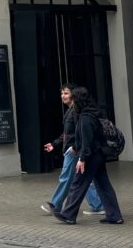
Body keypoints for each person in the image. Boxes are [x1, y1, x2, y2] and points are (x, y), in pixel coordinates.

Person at [53, 87, 124, 225]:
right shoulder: (93, 113)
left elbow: (87, 141)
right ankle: (114, 215)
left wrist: (82, 159)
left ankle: (68, 214)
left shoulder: (85, 118)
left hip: (90, 156)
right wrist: (76, 147)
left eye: (73, 97)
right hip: (98, 154)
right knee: (104, 185)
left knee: (78, 183)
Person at [41, 84, 103, 216]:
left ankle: (55, 204)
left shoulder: (76, 111)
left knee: (66, 177)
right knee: (82, 178)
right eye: (62, 93)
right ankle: (97, 205)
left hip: (73, 151)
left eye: (66, 93)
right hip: (72, 149)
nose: (63, 96)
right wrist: (55, 143)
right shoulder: (71, 111)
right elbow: (67, 133)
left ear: (73, 95)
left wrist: (74, 147)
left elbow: (78, 132)